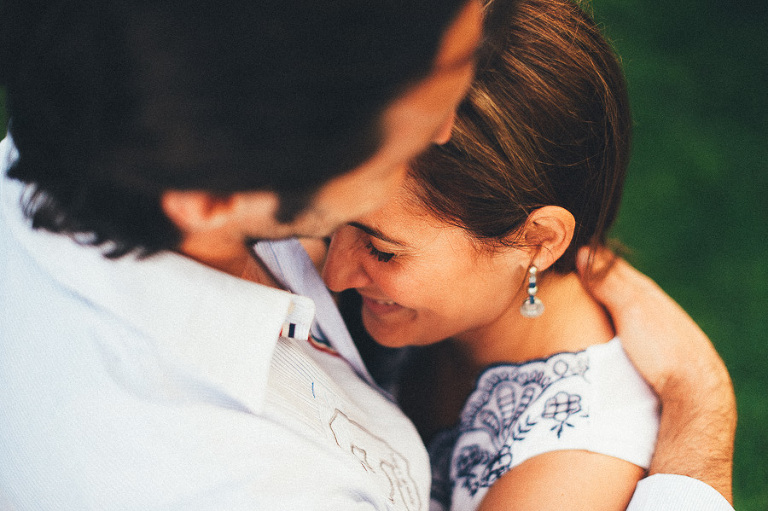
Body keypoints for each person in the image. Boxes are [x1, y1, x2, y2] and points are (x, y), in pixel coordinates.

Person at [0, 0, 735, 509]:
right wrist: (702, 424)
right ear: (215, 197)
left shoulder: (138, 137)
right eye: (420, 117)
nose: (447, 125)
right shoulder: (233, 478)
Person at [321, 0, 736, 509]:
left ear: (537, 241)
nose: (332, 273)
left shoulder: (569, 471)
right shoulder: (444, 307)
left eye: (383, 251)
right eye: (332, 218)